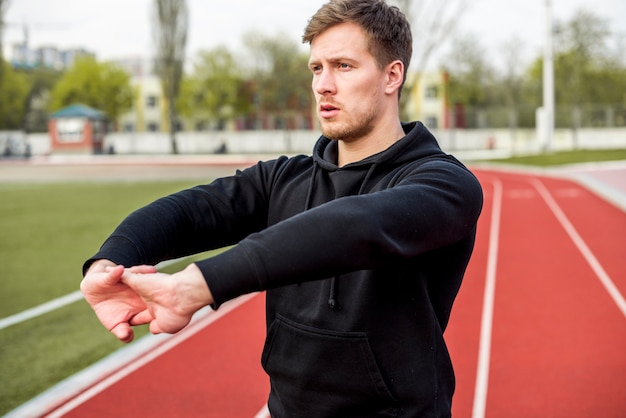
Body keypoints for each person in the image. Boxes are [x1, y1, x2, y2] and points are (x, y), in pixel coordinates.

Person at [81, 0, 483, 416]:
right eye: (316, 68)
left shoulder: (444, 185)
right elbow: (190, 211)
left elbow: (357, 226)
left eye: (343, 66)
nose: (323, 85)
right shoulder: (285, 180)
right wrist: (109, 263)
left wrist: (198, 285)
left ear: (391, 75)